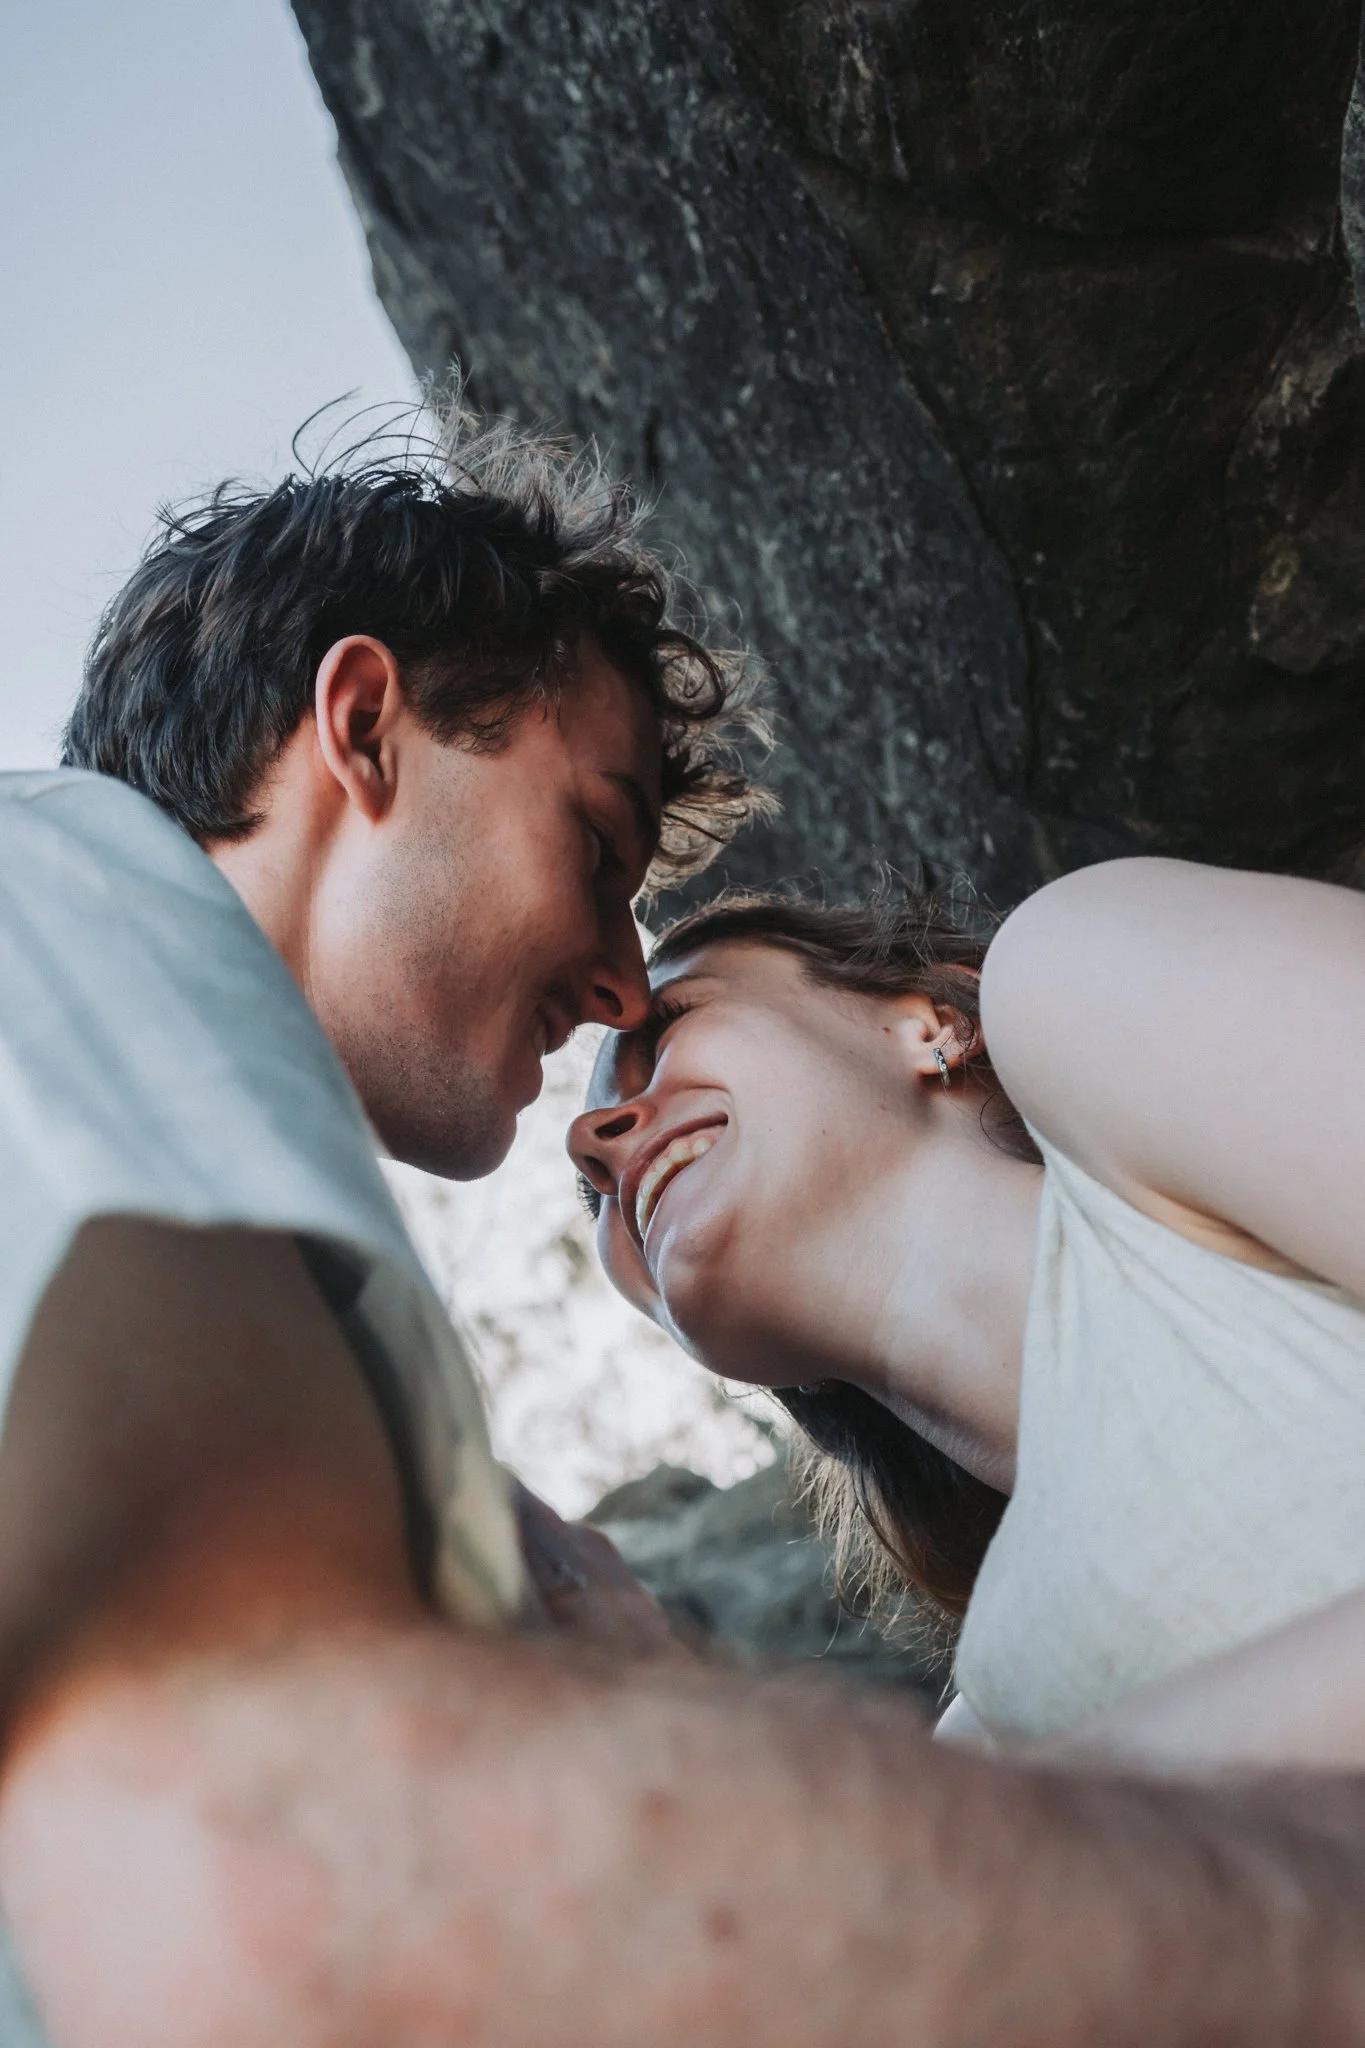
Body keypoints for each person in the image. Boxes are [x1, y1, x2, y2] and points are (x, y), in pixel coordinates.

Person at [4, 409, 1365, 2044]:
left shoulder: (329, 1374)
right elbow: (290, 1880)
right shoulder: (50, 905)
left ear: (932, 1024)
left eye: (676, 996)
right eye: (595, 837)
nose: (620, 996)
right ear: (363, 725)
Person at [570, 870, 1365, 1769]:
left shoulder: (1066, 968)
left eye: (671, 1026)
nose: (591, 1146)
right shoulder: (984, 1746)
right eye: (583, 1193)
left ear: (930, 1024)